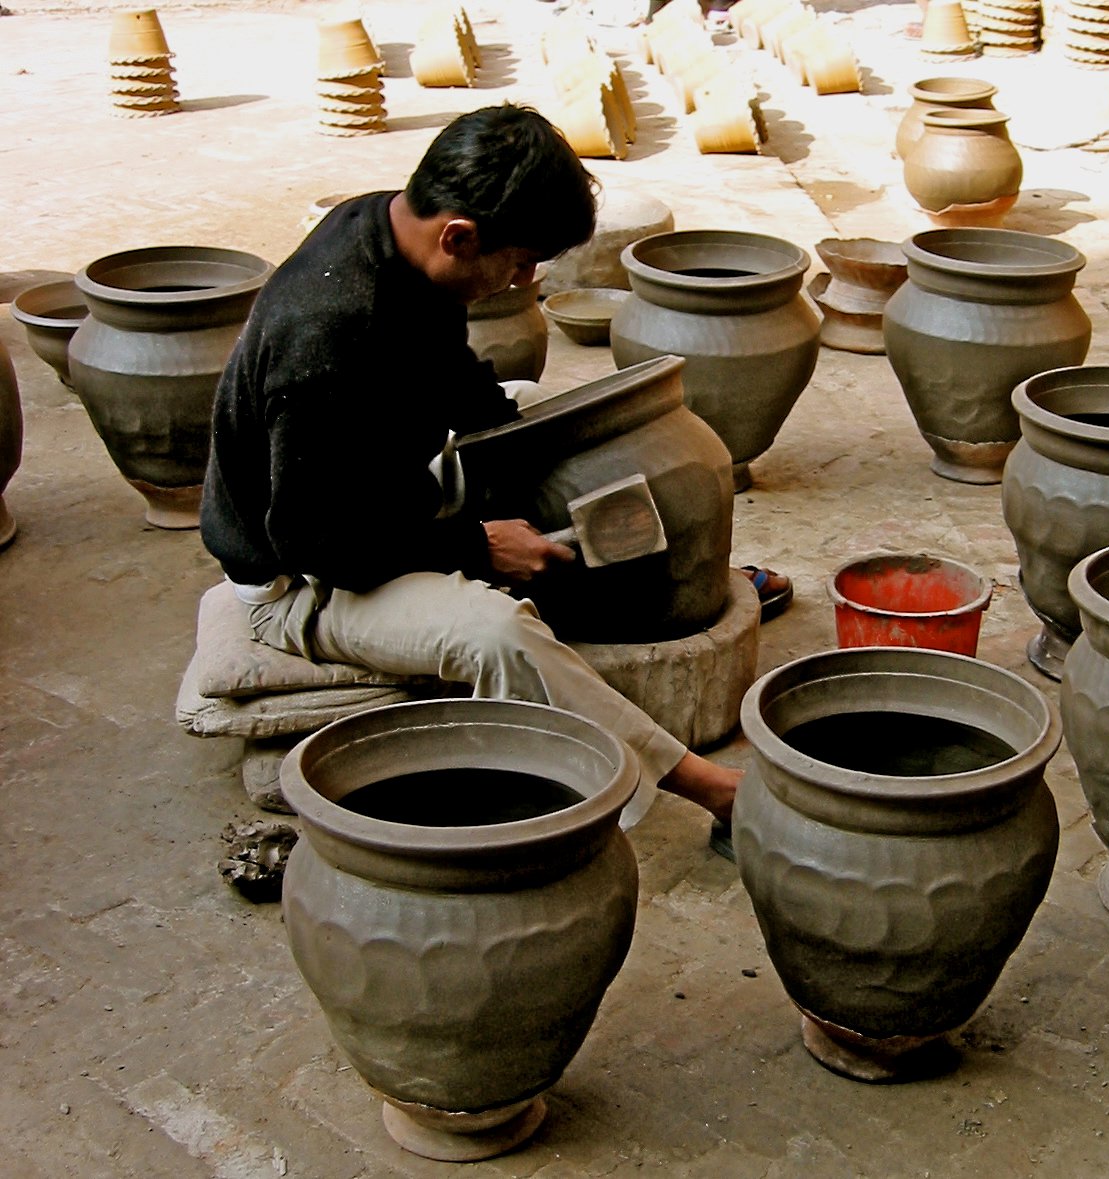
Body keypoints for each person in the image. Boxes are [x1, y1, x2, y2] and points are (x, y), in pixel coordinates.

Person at [201, 104, 785, 836]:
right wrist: (476, 547)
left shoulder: (390, 235)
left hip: (374, 487)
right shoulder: (325, 334)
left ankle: (658, 581)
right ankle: (710, 789)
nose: (524, 278)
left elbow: (450, 370)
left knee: (538, 408)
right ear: (459, 236)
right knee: (497, 633)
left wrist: (531, 439)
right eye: (518, 262)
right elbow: (316, 540)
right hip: (301, 574)